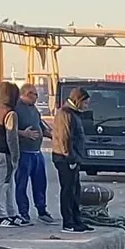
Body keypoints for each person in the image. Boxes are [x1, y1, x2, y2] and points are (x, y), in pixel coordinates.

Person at [53, 86, 93, 233]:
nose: (86, 107)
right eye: (85, 103)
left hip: (73, 158)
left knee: (75, 191)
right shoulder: (65, 114)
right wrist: (70, 159)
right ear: (78, 101)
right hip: (65, 159)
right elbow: (65, 138)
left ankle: (77, 220)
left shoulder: (74, 114)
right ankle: (68, 222)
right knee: (68, 191)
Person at [13, 84, 52, 222]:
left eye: (36, 94)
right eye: (31, 94)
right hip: (24, 153)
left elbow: (41, 125)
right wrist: (24, 133)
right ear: (23, 94)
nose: (35, 97)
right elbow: (8, 130)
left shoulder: (35, 110)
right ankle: (23, 212)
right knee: (21, 184)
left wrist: (52, 135)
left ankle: (42, 210)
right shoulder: (16, 109)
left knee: (40, 183)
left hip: (37, 153)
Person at [0, 81, 24, 226]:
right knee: (4, 184)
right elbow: (11, 136)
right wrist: (15, 156)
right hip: (5, 152)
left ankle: (11, 212)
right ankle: (1, 215)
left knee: (8, 183)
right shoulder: (11, 113)